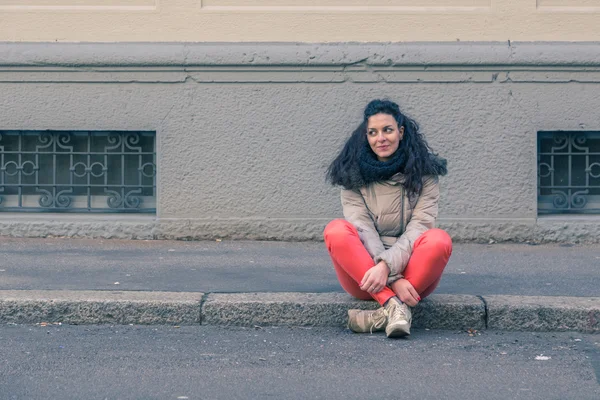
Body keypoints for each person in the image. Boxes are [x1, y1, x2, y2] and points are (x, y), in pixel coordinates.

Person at [323, 99, 452, 338]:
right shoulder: (352, 175)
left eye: (387, 130)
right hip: (366, 276)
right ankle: (393, 305)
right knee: (336, 230)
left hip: (414, 277)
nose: (380, 138)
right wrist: (389, 276)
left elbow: (419, 227)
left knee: (438, 239)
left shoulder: (425, 174)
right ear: (366, 136)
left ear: (401, 132)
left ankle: (384, 313)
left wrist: (389, 269)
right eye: (373, 132)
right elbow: (362, 228)